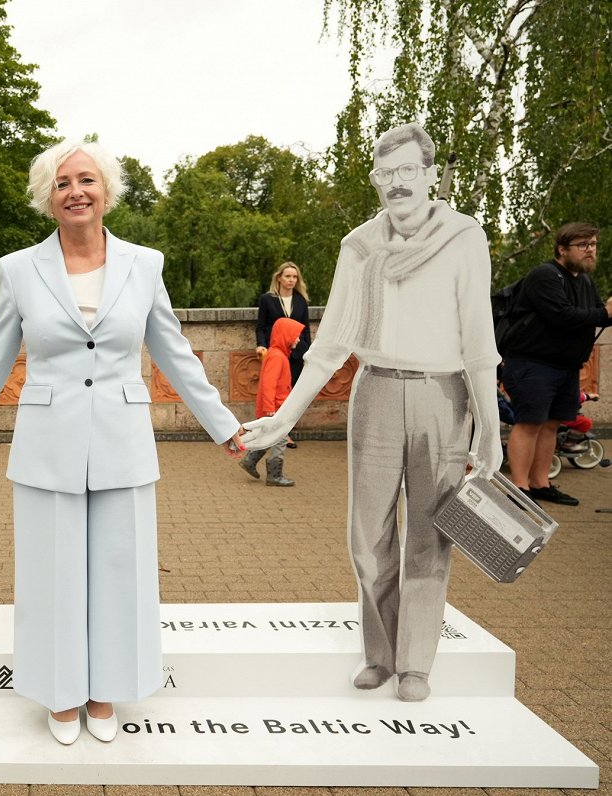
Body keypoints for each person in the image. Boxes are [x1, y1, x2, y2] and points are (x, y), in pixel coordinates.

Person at [0, 139, 244, 745]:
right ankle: (59, 692)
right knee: (52, 572)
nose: (75, 191)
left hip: (123, 439)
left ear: (107, 192)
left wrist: (225, 426)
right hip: (47, 441)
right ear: (47, 199)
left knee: (120, 570)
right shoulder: (18, 269)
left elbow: (174, 354)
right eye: (61, 183)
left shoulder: (144, 264)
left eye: (86, 180)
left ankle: (106, 692)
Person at [242, 123, 502, 703]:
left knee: (431, 534)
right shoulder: (359, 245)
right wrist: (285, 418)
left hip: (444, 393)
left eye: (409, 171)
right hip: (376, 390)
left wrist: (490, 427)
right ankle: (379, 656)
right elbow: (331, 341)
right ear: (375, 181)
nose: (398, 184)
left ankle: (415, 664)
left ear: (432, 174)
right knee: (367, 535)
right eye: (387, 174)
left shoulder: (465, 237)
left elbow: (479, 339)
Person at [499, 223, 612, 507]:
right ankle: (519, 489)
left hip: (565, 367)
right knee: (529, 423)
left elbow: (596, 315)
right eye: (583, 245)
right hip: (532, 364)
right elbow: (561, 315)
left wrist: (608, 313)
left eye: (594, 244)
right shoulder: (545, 275)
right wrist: (603, 312)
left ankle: (540, 483)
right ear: (562, 249)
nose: (590, 250)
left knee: (552, 424)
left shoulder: (584, 281)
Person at [239, 316, 304, 486]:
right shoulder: (277, 356)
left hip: (275, 408)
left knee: (270, 437)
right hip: (276, 409)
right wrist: (269, 410)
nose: (298, 339)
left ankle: (250, 461)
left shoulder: (277, 355)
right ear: (285, 335)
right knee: (280, 440)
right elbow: (269, 385)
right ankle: (274, 475)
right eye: (295, 335)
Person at [255, 262, 312, 448]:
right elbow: (261, 327)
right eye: (288, 276)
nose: (291, 280)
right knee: (274, 391)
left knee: (291, 394)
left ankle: (285, 433)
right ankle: (274, 432)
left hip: (297, 352)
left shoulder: (301, 300)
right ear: (279, 278)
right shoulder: (267, 299)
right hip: (276, 349)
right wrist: (261, 345)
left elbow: (306, 330)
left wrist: (307, 353)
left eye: (294, 277)